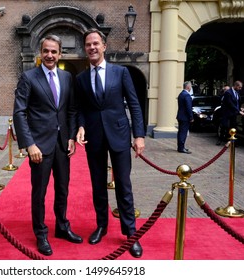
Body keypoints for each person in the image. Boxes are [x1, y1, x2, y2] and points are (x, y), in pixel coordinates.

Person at [75, 28, 145, 258]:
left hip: (120, 136)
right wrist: (81, 126)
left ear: (104, 46)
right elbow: (81, 109)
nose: (92, 47)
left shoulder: (120, 72)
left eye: (96, 43)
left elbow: (134, 104)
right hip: (94, 138)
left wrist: (139, 135)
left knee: (124, 186)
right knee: (98, 186)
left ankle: (130, 233)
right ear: (85, 49)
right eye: (88, 44)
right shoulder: (81, 78)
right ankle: (101, 226)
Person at [13, 34, 82, 256]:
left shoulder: (67, 77)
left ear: (60, 53)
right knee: (39, 193)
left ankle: (62, 227)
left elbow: (71, 110)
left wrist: (71, 137)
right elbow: (19, 112)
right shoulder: (28, 77)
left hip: (63, 146)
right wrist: (29, 144)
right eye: (46, 51)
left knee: (62, 189)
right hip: (39, 147)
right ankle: (41, 233)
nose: (50, 55)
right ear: (40, 53)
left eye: (54, 51)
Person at [176, 81, 194, 154]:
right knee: (183, 132)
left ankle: (180, 146)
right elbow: (188, 107)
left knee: (180, 132)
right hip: (185, 117)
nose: (191, 88)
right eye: (190, 86)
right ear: (188, 87)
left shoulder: (181, 94)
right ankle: (181, 148)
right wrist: (191, 117)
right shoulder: (187, 95)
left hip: (180, 116)